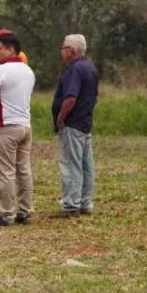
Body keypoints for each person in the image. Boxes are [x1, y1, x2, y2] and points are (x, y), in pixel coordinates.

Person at [0, 33, 36, 226]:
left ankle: (6, 213)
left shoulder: (1, 70)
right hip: (25, 125)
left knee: (5, 171)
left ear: (10, 49)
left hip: (5, 126)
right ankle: (25, 211)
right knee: (23, 170)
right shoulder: (27, 70)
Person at [51, 34, 100, 218]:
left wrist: (61, 117)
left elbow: (70, 97)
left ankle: (71, 205)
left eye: (63, 48)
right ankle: (85, 202)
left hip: (72, 123)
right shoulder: (91, 68)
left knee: (71, 165)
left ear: (71, 51)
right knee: (86, 165)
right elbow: (95, 96)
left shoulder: (74, 70)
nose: (62, 52)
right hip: (85, 122)